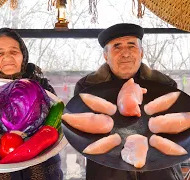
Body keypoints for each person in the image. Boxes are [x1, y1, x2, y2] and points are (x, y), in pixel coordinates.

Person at [74, 23, 183, 180]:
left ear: (141, 52)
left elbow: (176, 130)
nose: (125, 53)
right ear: (106, 55)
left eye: (131, 46)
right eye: (117, 46)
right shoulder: (87, 87)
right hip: (107, 172)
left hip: (159, 172)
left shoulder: (164, 84)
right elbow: (81, 134)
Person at [0, 28, 62, 180]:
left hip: (41, 168)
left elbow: (54, 129)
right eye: (0, 53)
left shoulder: (42, 88)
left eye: (14, 51)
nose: (7, 57)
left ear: (23, 55)